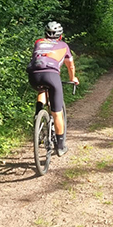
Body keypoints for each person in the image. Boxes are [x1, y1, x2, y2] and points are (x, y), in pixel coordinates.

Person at [28, 21, 78, 156]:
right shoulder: (63, 46)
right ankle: (60, 147)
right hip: (51, 75)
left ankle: (38, 115)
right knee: (57, 112)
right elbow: (70, 66)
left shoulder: (38, 42)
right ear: (60, 36)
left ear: (45, 34)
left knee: (42, 89)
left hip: (33, 74)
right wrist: (73, 78)